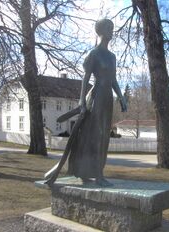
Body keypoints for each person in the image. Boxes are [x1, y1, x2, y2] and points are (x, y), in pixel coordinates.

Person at [67, 19, 127, 187]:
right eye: (108, 28)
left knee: (104, 136)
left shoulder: (112, 57)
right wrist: (81, 101)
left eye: (112, 28)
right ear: (100, 31)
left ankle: (95, 172)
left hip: (108, 97)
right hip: (96, 97)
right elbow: (86, 78)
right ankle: (96, 174)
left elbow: (113, 79)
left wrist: (121, 97)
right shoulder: (94, 54)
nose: (111, 31)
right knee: (96, 135)